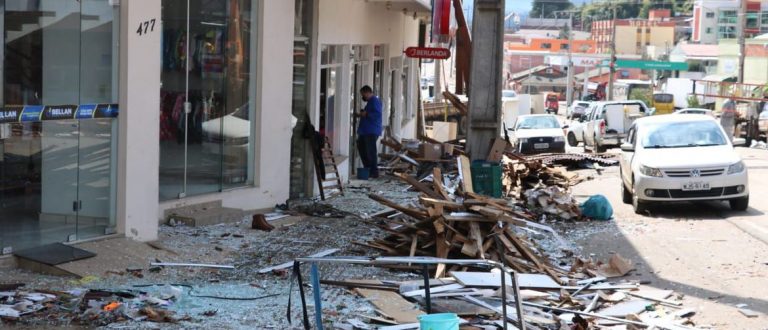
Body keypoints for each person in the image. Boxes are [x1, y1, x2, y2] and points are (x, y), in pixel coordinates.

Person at [356, 85, 382, 179]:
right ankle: (368, 169)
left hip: (371, 130)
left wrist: (366, 114)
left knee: (370, 151)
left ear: (367, 92)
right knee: (362, 147)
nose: (363, 97)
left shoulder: (374, 101)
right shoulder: (371, 102)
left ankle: (373, 171)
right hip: (366, 131)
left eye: (363, 95)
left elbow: (377, 114)